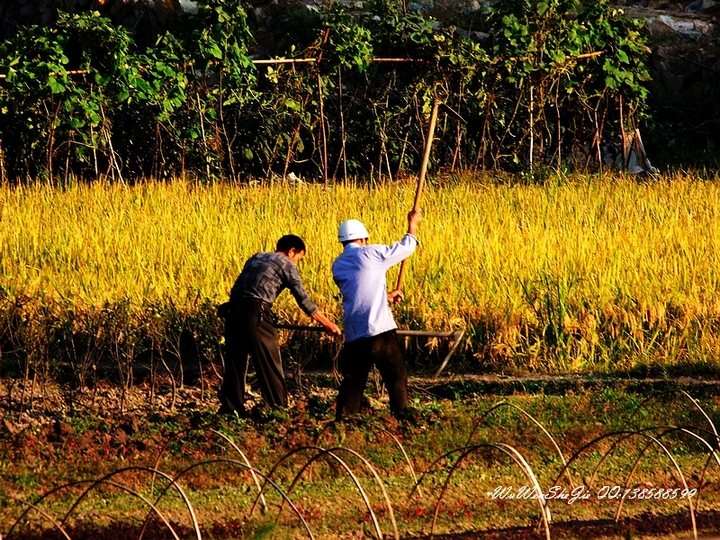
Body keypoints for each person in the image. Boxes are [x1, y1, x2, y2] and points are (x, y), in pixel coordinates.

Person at [218, 234, 341, 415]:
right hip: (256, 312)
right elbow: (303, 299)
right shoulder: (286, 264)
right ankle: (277, 408)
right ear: (292, 251)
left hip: (233, 311)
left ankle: (231, 408)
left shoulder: (256, 257)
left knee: (235, 361)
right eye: (299, 258)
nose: (297, 263)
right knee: (269, 361)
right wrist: (327, 323)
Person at [331, 210, 422, 420]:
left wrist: (386, 296)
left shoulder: (338, 265)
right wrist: (413, 223)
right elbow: (407, 247)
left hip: (354, 332)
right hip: (378, 329)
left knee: (353, 379)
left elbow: (359, 290)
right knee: (395, 375)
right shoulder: (371, 253)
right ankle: (402, 416)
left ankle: (345, 419)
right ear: (362, 238)